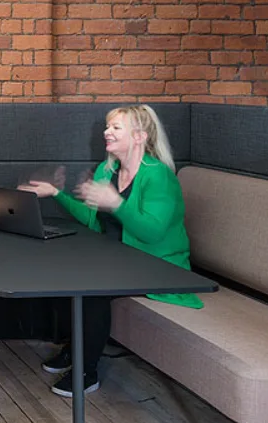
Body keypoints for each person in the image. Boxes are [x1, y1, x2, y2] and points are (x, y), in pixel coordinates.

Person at [19, 104, 202, 397]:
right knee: (59, 270)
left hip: (157, 267)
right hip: (118, 261)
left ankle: (86, 371)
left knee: (93, 289)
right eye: (108, 126)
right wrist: (55, 194)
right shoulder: (109, 169)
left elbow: (151, 232)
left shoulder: (159, 177)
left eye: (116, 127)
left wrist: (115, 202)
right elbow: (92, 219)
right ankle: (74, 348)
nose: (107, 132)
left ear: (140, 136)